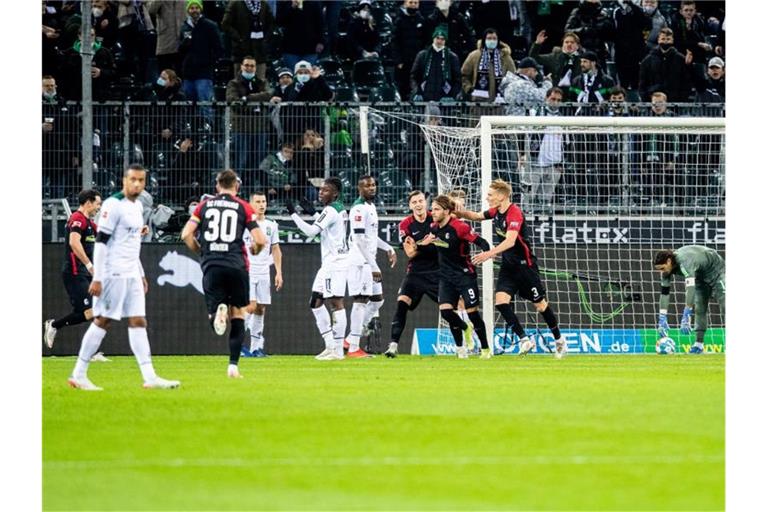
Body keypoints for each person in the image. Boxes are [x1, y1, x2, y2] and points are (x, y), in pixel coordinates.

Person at [67, 165, 180, 390]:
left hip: (131, 274)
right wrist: (98, 277)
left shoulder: (137, 206)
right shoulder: (112, 205)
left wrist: (141, 273)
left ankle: (150, 377)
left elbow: (130, 243)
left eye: (141, 180)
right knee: (103, 320)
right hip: (113, 274)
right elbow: (101, 242)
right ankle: (79, 374)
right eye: (133, 180)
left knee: (138, 321)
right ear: (124, 181)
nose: (137, 184)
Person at [456, 179, 567, 359]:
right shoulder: (495, 212)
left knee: (540, 306)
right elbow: (475, 216)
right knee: (500, 302)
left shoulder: (514, 213)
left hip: (526, 267)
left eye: (490, 195)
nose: (486, 198)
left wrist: (488, 254)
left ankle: (559, 340)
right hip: (509, 267)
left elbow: (510, 241)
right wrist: (455, 210)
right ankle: (524, 340)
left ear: (501, 196)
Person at [180, 169, 267, 378]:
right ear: (236, 186)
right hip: (236, 264)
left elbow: (186, 234)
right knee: (238, 314)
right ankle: (233, 366)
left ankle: (217, 313)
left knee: (215, 315)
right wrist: (255, 250)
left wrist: (202, 252)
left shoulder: (203, 206)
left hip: (212, 264)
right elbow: (260, 239)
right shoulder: (243, 207)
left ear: (217, 186)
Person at [417, 195, 492, 359]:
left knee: (473, 314)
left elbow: (482, 242)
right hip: (446, 277)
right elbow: (425, 245)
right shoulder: (434, 227)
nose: (433, 212)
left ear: (446, 211)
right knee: (446, 312)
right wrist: (423, 243)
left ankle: (486, 350)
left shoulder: (460, 227)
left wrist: (485, 254)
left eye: (436, 209)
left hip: (465, 276)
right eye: (433, 209)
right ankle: (465, 330)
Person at [285, 178, 349, 360]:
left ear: (335, 193)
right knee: (315, 302)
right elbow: (328, 229)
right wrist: (312, 212)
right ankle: (330, 346)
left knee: (336, 303)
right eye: (321, 190)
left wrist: (293, 214)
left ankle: (337, 349)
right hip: (329, 263)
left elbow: (312, 232)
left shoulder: (330, 210)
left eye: (326, 190)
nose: (321, 192)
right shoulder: (338, 208)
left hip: (335, 263)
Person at [345, 176, 397, 358]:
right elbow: (359, 240)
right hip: (360, 262)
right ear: (360, 188)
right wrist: (374, 265)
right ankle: (353, 348)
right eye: (367, 185)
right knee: (360, 301)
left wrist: (388, 247)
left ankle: (350, 338)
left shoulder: (371, 207)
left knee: (378, 300)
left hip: (369, 261)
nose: (372, 188)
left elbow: (371, 237)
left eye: (374, 184)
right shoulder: (358, 209)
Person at [44, 190, 103, 350]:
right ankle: (55, 325)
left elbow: (107, 236)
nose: (99, 207)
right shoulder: (77, 219)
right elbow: (74, 243)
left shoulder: (90, 223)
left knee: (94, 311)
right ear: (88, 203)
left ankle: (55, 325)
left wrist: (136, 233)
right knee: (91, 310)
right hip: (75, 272)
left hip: (84, 274)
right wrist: (90, 266)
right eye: (97, 203)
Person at [385, 190, 440, 358]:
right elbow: (410, 253)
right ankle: (393, 346)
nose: (418, 204)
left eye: (420, 201)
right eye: (414, 202)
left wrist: (418, 245)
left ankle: (466, 342)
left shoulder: (436, 219)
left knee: (451, 307)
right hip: (415, 273)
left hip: (436, 272)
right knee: (401, 304)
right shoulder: (406, 224)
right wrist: (426, 243)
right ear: (410, 205)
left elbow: (440, 244)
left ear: (426, 202)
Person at [654, 246, 725, 354]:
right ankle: (699, 344)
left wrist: (686, 314)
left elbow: (690, 288)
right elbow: (664, 293)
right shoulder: (666, 272)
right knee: (700, 308)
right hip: (700, 277)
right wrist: (662, 317)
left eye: (662, 268)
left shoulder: (684, 262)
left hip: (716, 271)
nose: (661, 272)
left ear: (668, 261)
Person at [241, 192, 283, 358]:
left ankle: (255, 348)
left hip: (264, 271)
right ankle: (239, 346)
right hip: (247, 271)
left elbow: (276, 249)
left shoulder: (271, 225)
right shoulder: (244, 225)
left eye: (263, 201)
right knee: (248, 308)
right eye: (257, 201)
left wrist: (278, 272)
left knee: (261, 308)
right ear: (251, 204)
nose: (261, 205)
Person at [226, 56, 276, 188]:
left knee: (257, 163)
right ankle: (236, 190)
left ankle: (252, 190)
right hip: (241, 129)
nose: (249, 68)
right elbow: (233, 102)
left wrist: (246, 99)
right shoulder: (233, 83)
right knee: (239, 163)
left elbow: (269, 94)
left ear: (256, 67)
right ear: (241, 66)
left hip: (259, 129)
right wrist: (256, 104)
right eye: (246, 65)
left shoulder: (262, 81)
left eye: (252, 65)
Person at [520, 87, 569, 212]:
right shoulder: (534, 114)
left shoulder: (563, 119)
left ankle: (542, 224)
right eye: (552, 99)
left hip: (554, 165)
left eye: (558, 100)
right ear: (546, 98)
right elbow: (523, 134)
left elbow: (568, 143)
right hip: (535, 163)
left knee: (546, 199)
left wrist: (563, 162)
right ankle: (525, 220)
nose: (555, 102)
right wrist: (522, 154)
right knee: (528, 196)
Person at [178, 0, 223, 103]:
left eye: (197, 8)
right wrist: (184, 44)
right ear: (188, 10)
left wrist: (209, 62)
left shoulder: (210, 26)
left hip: (204, 73)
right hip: (188, 73)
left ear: (201, 9)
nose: (194, 10)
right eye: (192, 8)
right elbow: (180, 50)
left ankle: (207, 120)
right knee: (187, 106)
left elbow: (219, 48)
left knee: (205, 104)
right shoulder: (184, 27)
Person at [221, 0, 275, 81]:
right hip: (241, 51)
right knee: (240, 84)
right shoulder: (235, 3)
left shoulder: (264, 4)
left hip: (260, 52)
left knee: (260, 83)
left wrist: (265, 39)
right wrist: (239, 38)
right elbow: (225, 24)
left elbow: (272, 24)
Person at [461, 28, 516, 103]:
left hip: (500, 102)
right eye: (489, 38)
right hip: (478, 102)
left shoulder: (506, 57)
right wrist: (469, 88)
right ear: (484, 40)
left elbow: (513, 77)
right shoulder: (474, 56)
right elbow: (464, 75)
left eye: (494, 38)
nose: (492, 41)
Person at [638, 28, 692, 102]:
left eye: (668, 39)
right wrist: (646, 97)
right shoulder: (648, 60)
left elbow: (686, 81)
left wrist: (682, 98)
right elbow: (642, 82)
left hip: (676, 101)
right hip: (653, 100)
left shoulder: (680, 59)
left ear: (672, 40)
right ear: (658, 40)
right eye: (663, 39)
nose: (665, 42)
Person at [410, 26, 462, 102]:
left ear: (445, 41)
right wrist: (416, 92)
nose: (439, 41)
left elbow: (458, 80)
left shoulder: (452, 57)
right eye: (437, 38)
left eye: (442, 39)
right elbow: (413, 76)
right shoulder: (422, 55)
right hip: (424, 98)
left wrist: (452, 96)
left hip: (444, 99)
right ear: (433, 38)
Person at [392, 0, 429, 102]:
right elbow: (395, 42)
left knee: (418, 87)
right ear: (405, 3)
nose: (413, 5)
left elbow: (425, 41)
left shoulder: (422, 20)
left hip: (418, 62)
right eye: (411, 2)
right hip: (403, 63)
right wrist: (398, 61)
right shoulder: (399, 21)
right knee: (403, 88)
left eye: (415, 3)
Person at [611, 0, 651, 93]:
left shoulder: (638, 10)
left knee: (637, 82)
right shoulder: (615, 11)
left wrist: (633, 6)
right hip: (621, 52)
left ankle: (637, 103)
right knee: (622, 82)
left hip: (637, 53)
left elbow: (647, 24)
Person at [276, 0, 325, 71]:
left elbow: (320, 24)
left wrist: (321, 41)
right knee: (293, 77)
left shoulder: (315, 2)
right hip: (290, 48)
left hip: (311, 48)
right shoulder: (285, 2)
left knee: (308, 78)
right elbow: (279, 21)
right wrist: (291, 8)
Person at [564, 0, 614, 65]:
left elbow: (610, 35)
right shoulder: (578, 12)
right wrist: (584, 30)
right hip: (583, 50)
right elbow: (567, 30)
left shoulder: (602, 13)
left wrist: (606, 27)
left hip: (599, 52)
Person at [146, 0, 188, 74]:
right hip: (166, 41)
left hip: (183, 42)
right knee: (165, 78)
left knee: (183, 76)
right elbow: (151, 10)